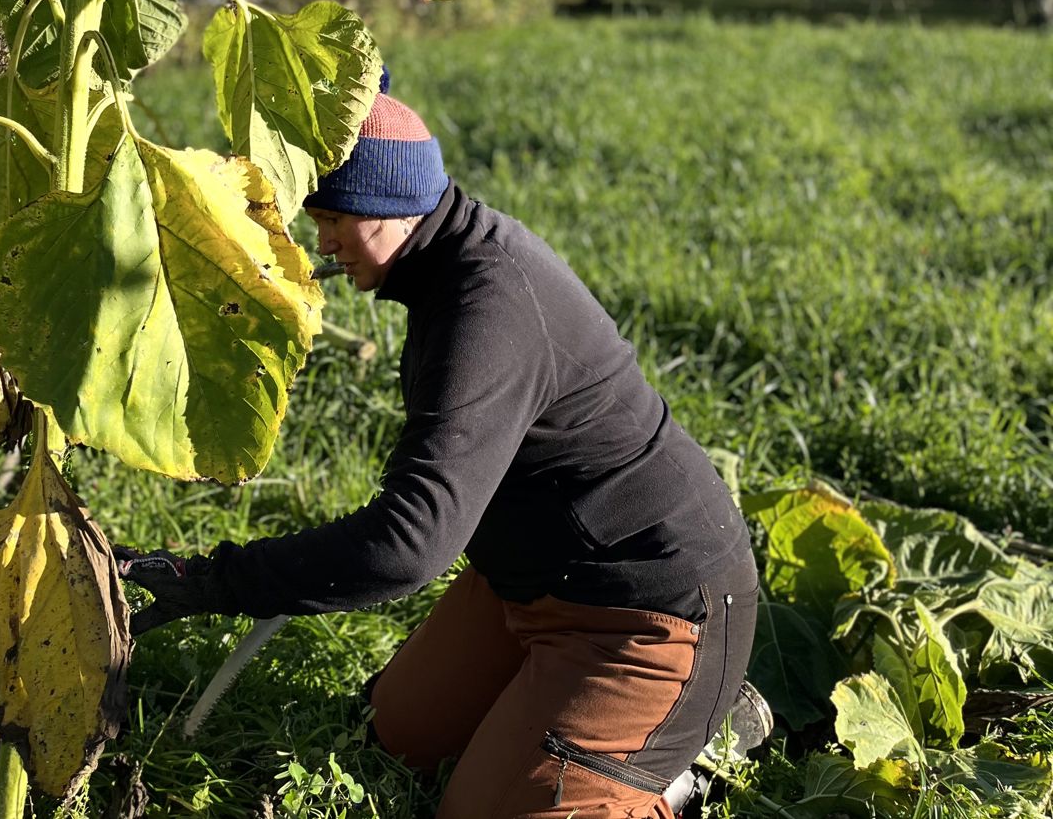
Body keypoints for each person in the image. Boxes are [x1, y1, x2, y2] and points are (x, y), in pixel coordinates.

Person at [116, 74, 762, 819]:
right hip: (529, 585)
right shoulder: (448, 266)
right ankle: (601, 732)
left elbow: (406, 547)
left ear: (392, 201)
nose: (323, 241)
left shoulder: (487, 305)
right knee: (399, 736)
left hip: (651, 610)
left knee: (484, 811)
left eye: (335, 217)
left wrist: (219, 580)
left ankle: (685, 764)